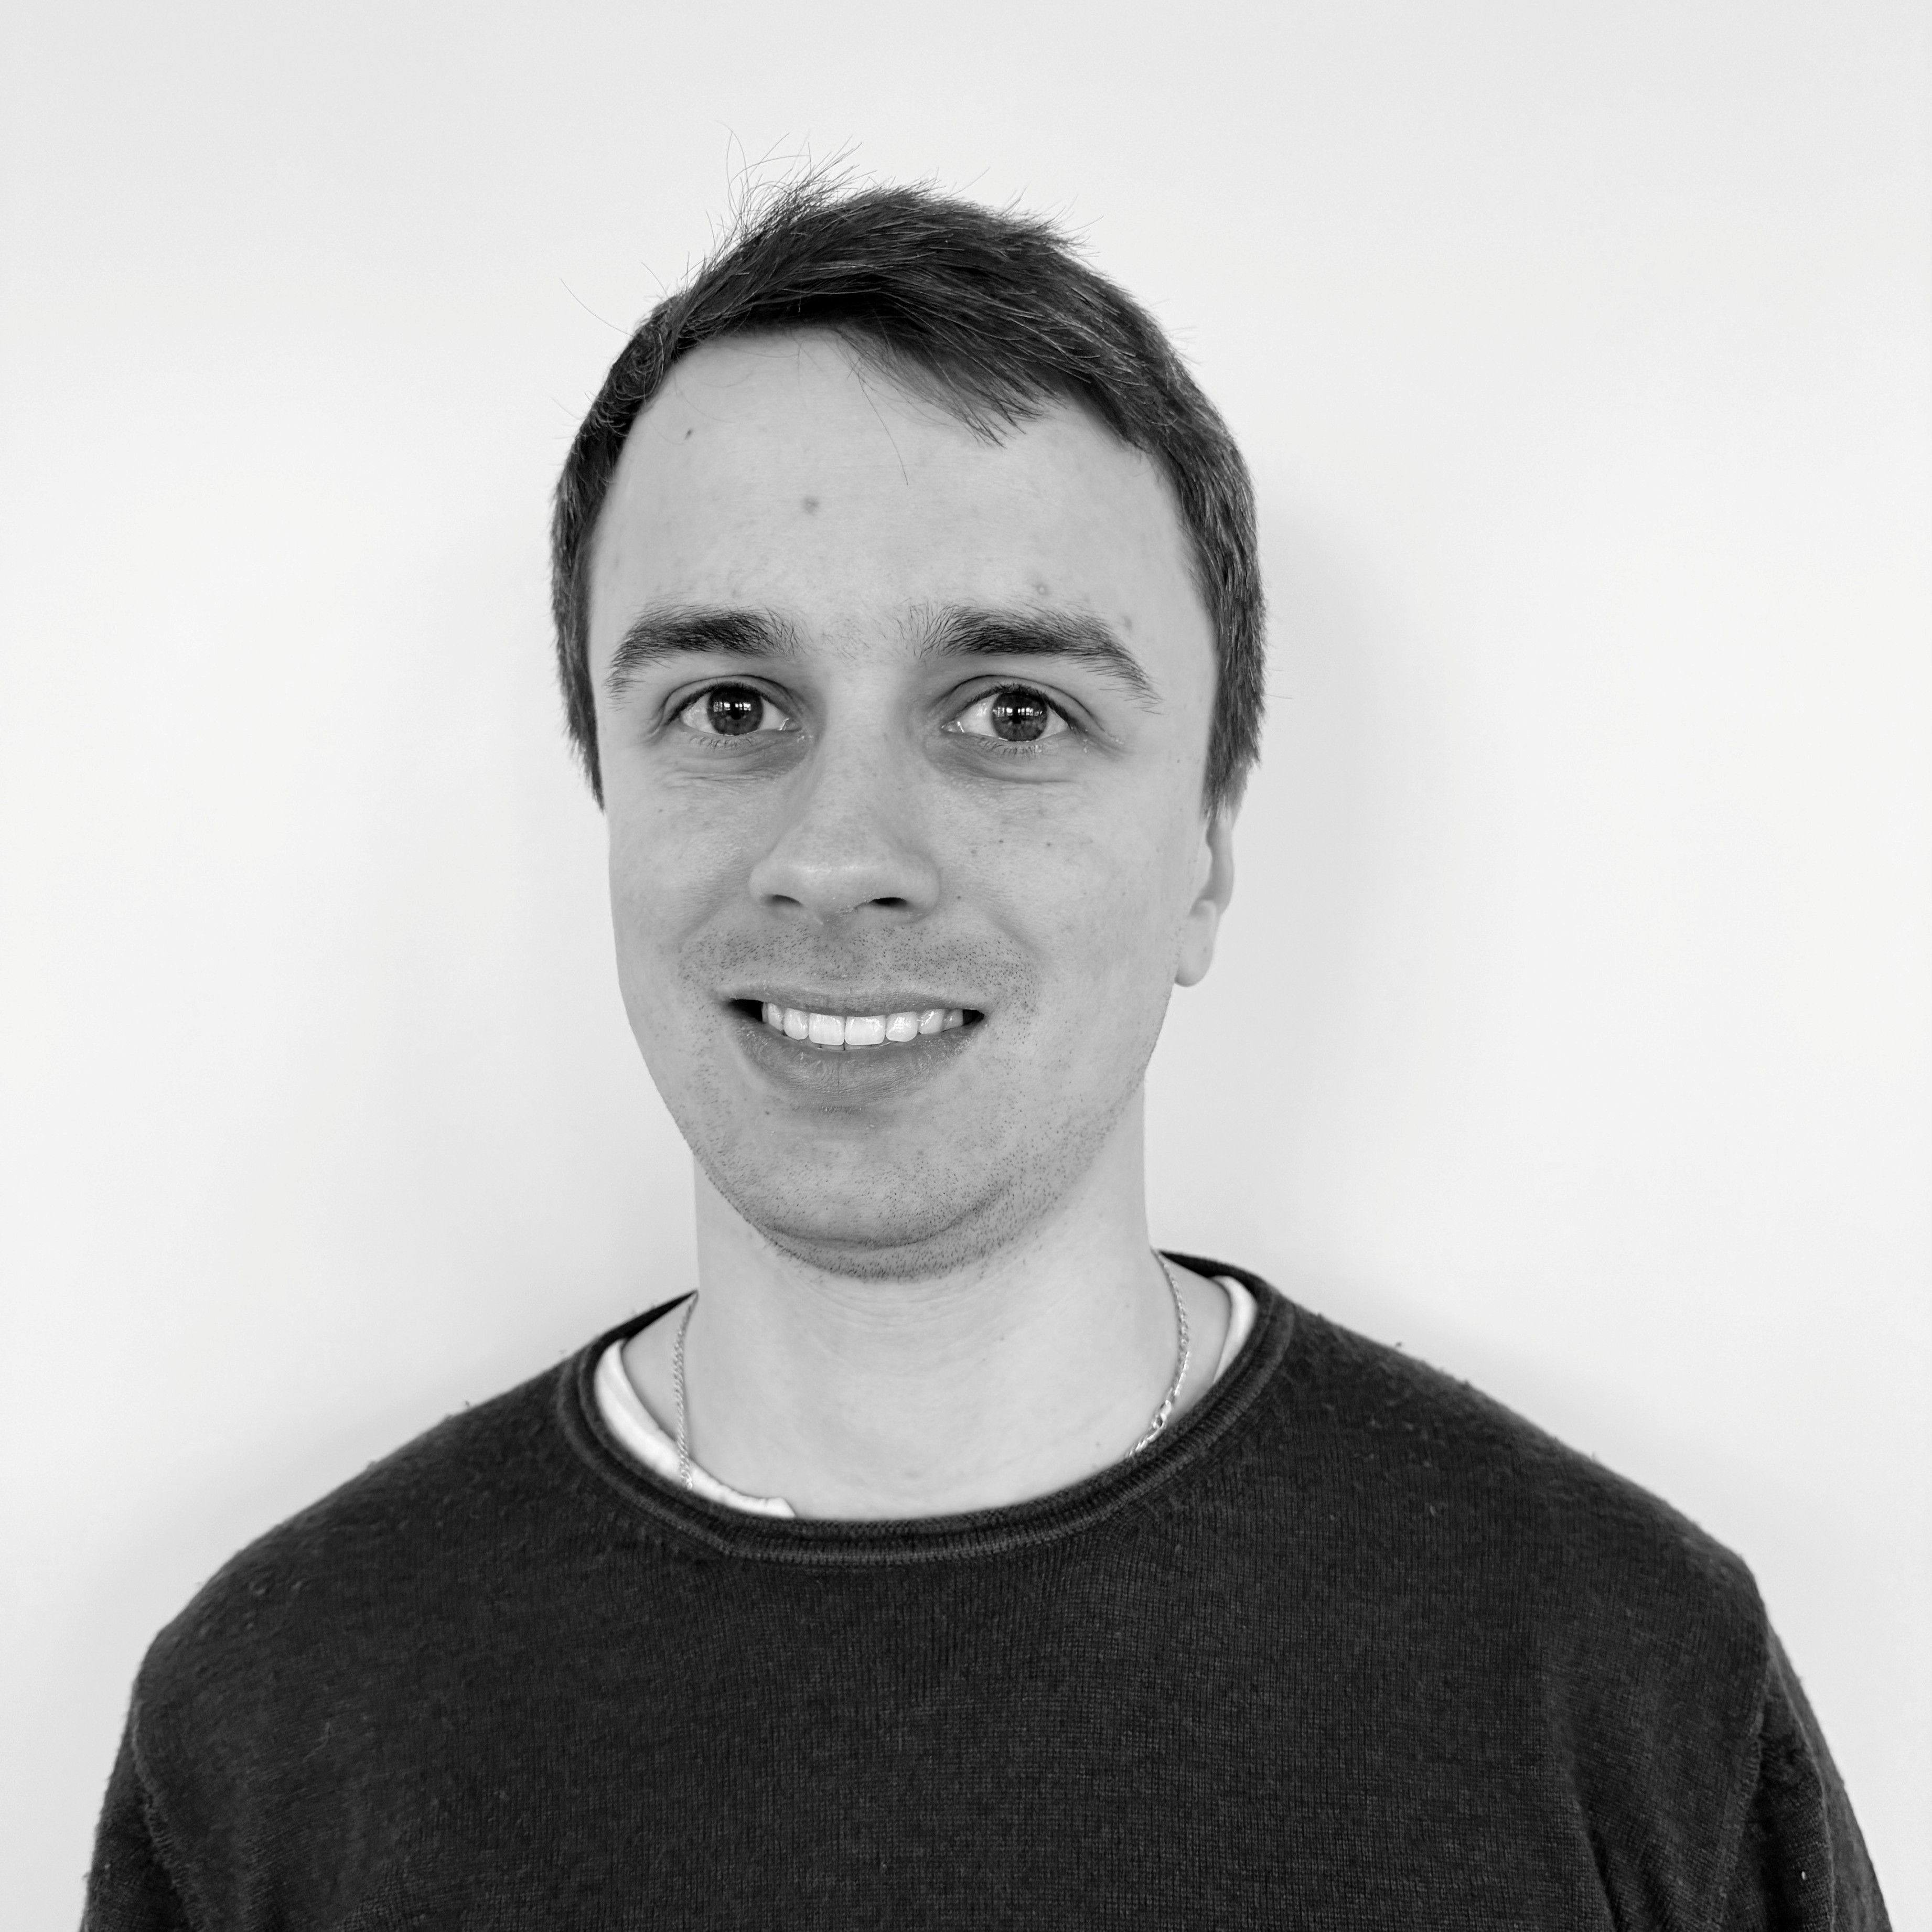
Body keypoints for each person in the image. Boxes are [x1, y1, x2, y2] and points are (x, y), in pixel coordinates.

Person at [83, 178, 1888, 1929]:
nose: (839, 853)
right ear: (606, 796)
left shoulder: (1629, 1685)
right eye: (730, 705)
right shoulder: (271, 1730)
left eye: (1014, 711)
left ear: (1207, 849)